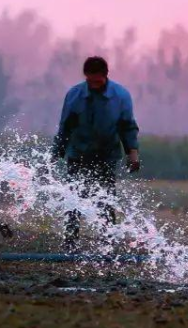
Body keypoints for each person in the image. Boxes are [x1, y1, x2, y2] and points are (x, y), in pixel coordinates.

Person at [52, 56, 140, 251]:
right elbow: (65, 126)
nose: (94, 85)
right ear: (86, 77)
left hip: (106, 154)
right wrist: (57, 151)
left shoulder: (120, 96)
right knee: (74, 197)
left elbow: (128, 126)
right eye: (90, 81)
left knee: (106, 198)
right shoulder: (74, 95)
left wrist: (132, 153)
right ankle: (70, 242)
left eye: (97, 81)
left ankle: (107, 242)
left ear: (105, 76)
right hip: (78, 153)